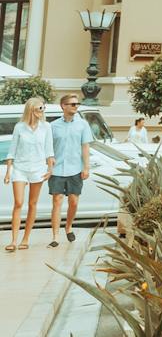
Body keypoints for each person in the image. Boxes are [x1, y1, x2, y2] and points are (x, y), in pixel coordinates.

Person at [5, 97, 53, 252]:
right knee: (18, 203)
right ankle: (13, 240)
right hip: (20, 168)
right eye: (40, 108)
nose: (42, 111)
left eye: (43, 108)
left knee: (32, 204)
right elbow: (12, 150)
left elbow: (49, 150)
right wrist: (8, 172)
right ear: (31, 109)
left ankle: (25, 239)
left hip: (38, 169)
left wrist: (49, 170)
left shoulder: (46, 127)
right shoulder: (19, 127)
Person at [47, 93, 94, 248]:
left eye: (77, 104)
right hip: (57, 170)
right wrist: (49, 162)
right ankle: (55, 236)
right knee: (57, 201)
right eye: (72, 104)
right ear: (63, 106)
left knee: (73, 202)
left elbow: (85, 147)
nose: (76, 106)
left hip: (75, 169)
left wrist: (86, 167)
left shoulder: (83, 125)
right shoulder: (53, 126)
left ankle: (68, 227)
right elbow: (47, 148)